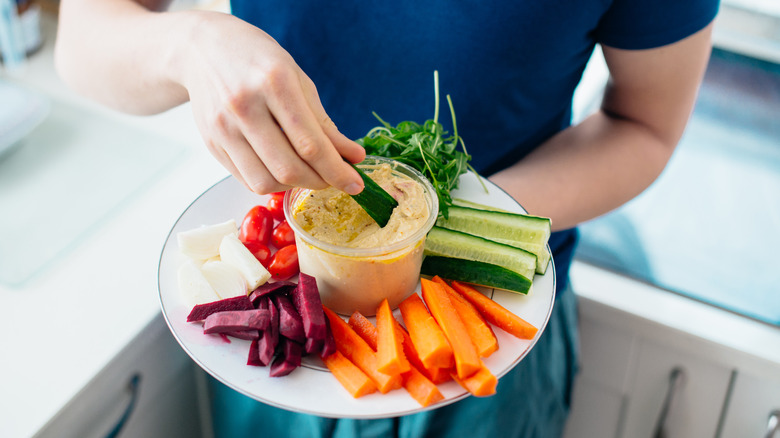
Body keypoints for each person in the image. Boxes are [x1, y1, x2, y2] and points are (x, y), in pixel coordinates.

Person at [54, 0, 720, 436]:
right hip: (285, 342)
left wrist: (449, 224)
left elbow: (645, 127)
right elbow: (83, 40)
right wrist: (187, 45)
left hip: (479, 343)